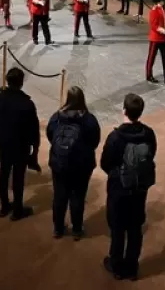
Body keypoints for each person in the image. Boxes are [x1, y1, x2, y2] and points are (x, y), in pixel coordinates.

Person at [100, 93, 157, 281]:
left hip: (119, 187)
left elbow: (105, 162)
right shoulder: (148, 134)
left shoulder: (116, 136)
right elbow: (151, 155)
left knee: (117, 228)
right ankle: (131, 267)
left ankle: (116, 264)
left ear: (123, 110)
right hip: (139, 188)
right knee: (134, 228)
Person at [47, 86, 101, 240]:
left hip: (59, 163)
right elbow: (94, 141)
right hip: (81, 165)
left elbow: (51, 135)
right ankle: (77, 229)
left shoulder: (56, 117)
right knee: (78, 196)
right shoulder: (89, 120)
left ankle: (58, 229)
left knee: (59, 196)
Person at [0, 67, 40, 220]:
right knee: (18, 176)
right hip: (21, 145)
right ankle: (17, 208)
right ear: (21, 83)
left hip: (4, 142)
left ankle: (4, 206)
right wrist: (35, 148)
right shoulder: (26, 104)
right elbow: (33, 129)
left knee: (3, 173)